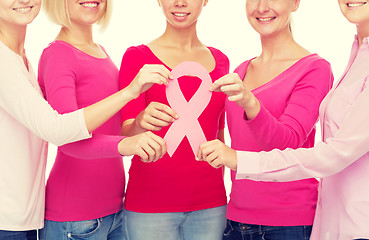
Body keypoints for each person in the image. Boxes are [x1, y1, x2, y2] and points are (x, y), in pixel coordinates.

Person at [198, 0, 369, 239]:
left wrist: (250, 104)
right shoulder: (239, 71)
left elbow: (292, 142)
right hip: (236, 219)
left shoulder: (314, 68)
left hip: (288, 224)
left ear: (295, 2)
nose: (262, 6)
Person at [0, 0, 166, 239]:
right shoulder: (53, 54)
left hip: (110, 209)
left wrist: (137, 125)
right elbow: (63, 134)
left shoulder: (24, 59)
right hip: (71, 216)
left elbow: (105, 129)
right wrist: (129, 93)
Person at [119, 0, 229, 239]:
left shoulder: (221, 61)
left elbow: (219, 135)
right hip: (150, 206)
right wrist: (139, 122)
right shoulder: (137, 57)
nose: (180, 2)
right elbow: (124, 135)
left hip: (211, 204)